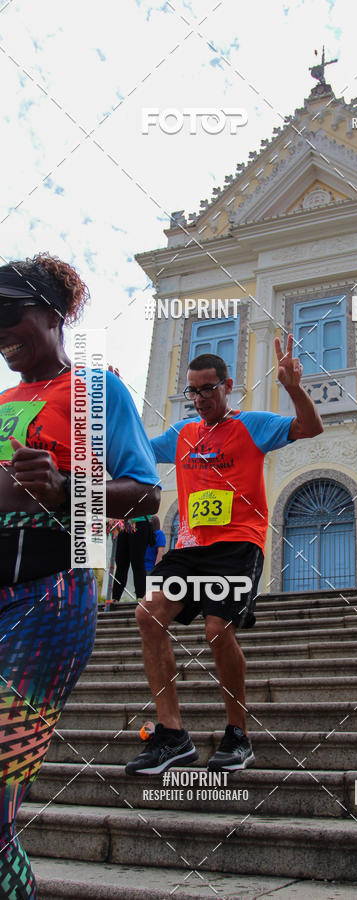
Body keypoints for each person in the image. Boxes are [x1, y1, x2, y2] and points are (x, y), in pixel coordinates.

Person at [0, 254, 160, 900]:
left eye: (11, 313)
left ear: (54, 313)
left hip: (52, 597)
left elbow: (146, 493)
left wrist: (68, 488)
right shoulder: (4, 401)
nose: (1, 330)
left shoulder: (97, 391)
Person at [125, 334, 323, 776]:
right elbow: (133, 447)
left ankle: (238, 734)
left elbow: (309, 428)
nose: (199, 399)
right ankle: (172, 734)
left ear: (227, 385)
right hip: (190, 545)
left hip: (238, 542)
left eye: (207, 389)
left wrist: (293, 388)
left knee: (218, 630)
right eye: (192, 391)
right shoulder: (182, 434)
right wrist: (109, 412)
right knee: (148, 613)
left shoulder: (251, 425)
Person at [109, 514, 154, 605]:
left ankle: (140, 596)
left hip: (139, 522)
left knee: (137, 562)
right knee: (121, 563)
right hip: (123, 522)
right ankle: (115, 597)